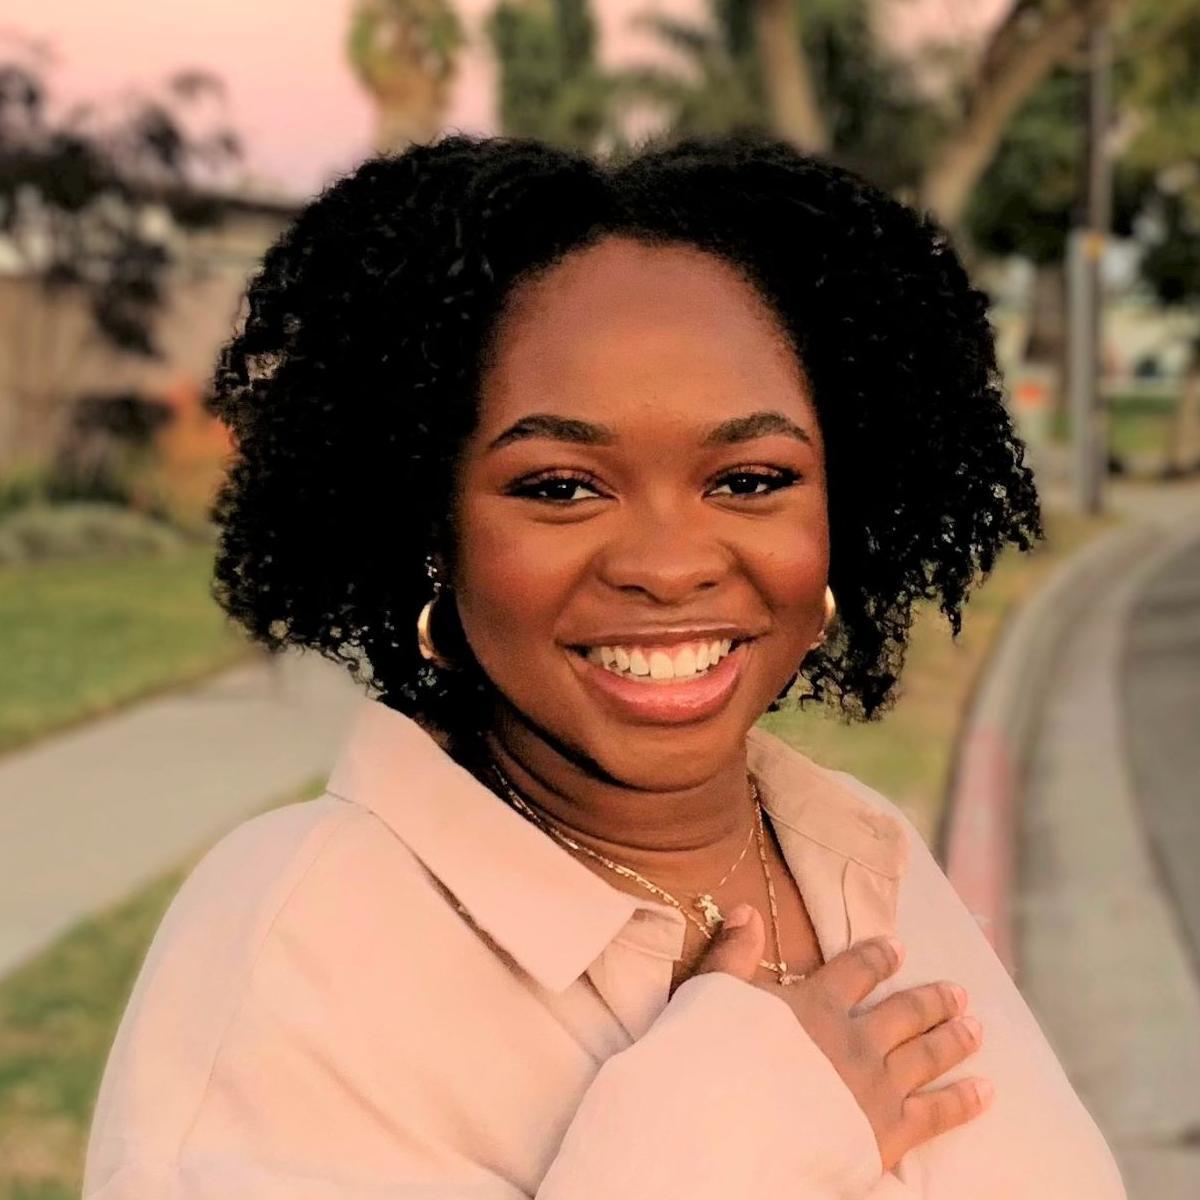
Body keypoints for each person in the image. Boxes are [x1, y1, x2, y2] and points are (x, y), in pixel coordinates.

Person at [82, 131, 1126, 1198]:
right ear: (431, 526)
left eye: (753, 478)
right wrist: (739, 1120)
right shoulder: (295, 948)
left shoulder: (865, 856)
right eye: (561, 486)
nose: (670, 568)